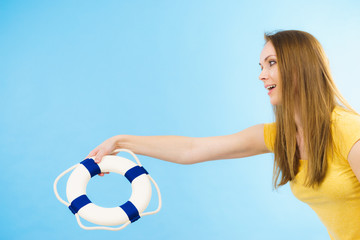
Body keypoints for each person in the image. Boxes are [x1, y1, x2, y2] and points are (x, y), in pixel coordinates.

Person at [86, 30, 360, 240]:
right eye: (261, 66)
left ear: (302, 67)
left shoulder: (348, 130)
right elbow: (191, 150)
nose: (262, 75)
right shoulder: (280, 137)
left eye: (272, 63)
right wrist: (120, 142)